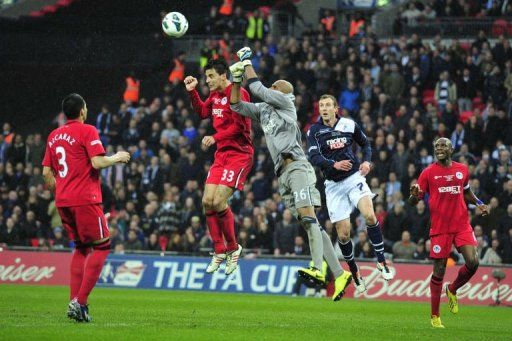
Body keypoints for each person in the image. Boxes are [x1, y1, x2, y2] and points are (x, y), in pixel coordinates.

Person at [229, 47, 352, 301]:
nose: (271, 88)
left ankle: (318, 270)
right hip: (282, 174)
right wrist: (236, 80)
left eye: (276, 86)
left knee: (308, 219)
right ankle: (340, 273)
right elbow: (236, 105)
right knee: (311, 224)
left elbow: (258, 89)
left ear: (285, 94)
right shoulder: (264, 110)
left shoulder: (286, 104)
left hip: (297, 166)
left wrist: (247, 61)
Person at [42, 93, 130, 322]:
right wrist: (117, 157)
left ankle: (74, 302)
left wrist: (61, 191)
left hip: (63, 201)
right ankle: (80, 302)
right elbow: (97, 162)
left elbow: (45, 173)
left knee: (81, 248)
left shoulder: (53, 135)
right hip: (85, 199)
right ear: (82, 111)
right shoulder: (87, 130)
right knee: (102, 247)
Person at [306, 95, 394, 294]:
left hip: (354, 179)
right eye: (321, 105)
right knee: (343, 235)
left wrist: (367, 162)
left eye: (328, 105)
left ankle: (381, 260)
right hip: (333, 186)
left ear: (336, 108)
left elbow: (366, 145)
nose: (324, 108)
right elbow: (313, 156)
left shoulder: (348, 124)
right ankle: (354, 271)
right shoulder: (314, 131)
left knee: (370, 215)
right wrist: (333, 164)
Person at [409, 137, 489, 328]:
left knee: (473, 262)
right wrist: (413, 194)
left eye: (443, 145)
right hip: (440, 228)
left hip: (461, 224)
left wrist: (479, 203)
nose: (439, 148)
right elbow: (415, 201)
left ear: (452, 149)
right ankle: (435, 316)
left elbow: (466, 192)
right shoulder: (427, 173)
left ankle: (452, 289)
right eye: (436, 146)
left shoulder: (462, 170)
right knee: (439, 270)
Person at [184, 58, 253, 275]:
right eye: (206, 77)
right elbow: (203, 112)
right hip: (221, 154)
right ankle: (219, 250)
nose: (208, 80)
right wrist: (192, 92)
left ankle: (233, 248)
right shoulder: (214, 95)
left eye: (211, 76)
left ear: (224, 75)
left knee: (219, 200)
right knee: (207, 201)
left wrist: (215, 137)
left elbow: (240, 127)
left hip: (239, 154)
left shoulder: (237, 93)